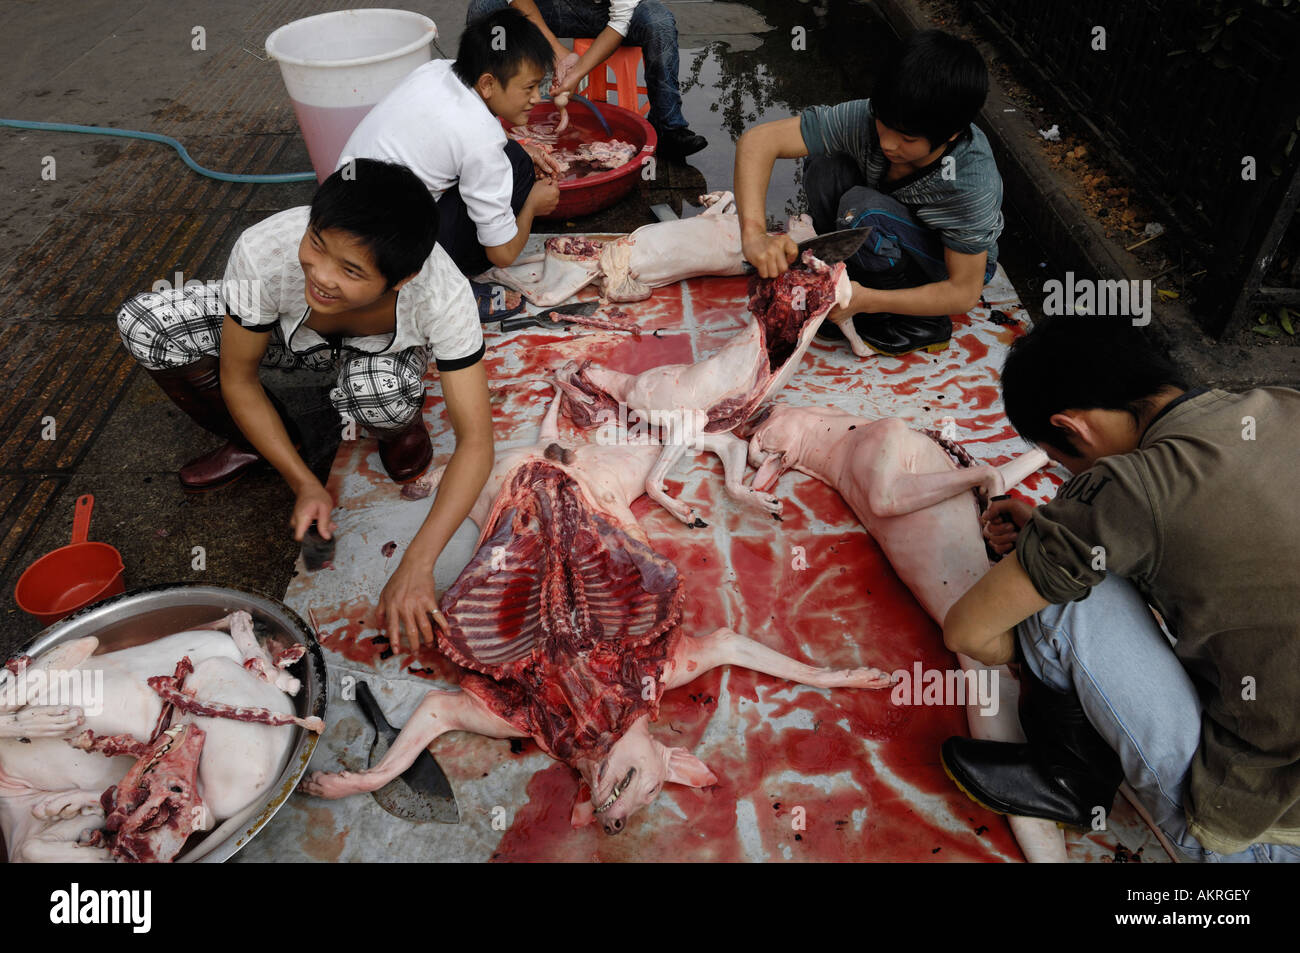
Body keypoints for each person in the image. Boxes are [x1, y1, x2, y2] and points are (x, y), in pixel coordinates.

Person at [940, 316, 1300, 862]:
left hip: (1263, 829)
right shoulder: (1281, 403)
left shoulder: (1128, 486)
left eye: (1064, 463)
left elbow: (966, 630)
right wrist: (1057, 526)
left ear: (1073, 427)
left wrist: (1047, 563)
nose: (1071, 476)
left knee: (1056, 602)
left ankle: (1073, 782)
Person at [116, 159, 493, 651]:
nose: (321, 275)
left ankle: (398, 427)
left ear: (402, 279)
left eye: (351, 270)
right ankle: (260, 442)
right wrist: (303, 481)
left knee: (379, 393)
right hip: (287, 338)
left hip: (379, 354)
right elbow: (239, 378)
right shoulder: (265, 250)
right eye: (316, 243)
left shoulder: (440, 294)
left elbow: (476, 442)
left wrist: (418, 564)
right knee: (148, 323)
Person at [734, 30, 1003, 357]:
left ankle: (919, 323)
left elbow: (964, 292)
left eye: (907, 138)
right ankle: (851, 279)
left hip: (949, 264)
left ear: (951, 134)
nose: (888, 143)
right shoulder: (869, 117)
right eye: (883, 123)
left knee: (862, 212)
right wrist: (754, 234)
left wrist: (870, 301)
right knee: (824, 165)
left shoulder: (972, 181)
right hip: (885, 224)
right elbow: (759, 141)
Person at [340, 8, 560, 302]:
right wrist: (533, 204)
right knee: (517, 165)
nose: (537, 98)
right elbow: (503, 254)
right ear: (488, 84)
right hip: (385, 258)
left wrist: (521, 146)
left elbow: (458, 127)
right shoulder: (483, 142)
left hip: (339, 214)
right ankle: (443, 285)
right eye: (530, 88)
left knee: (515, 153)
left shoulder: (436, 70)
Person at [467, 0, 707, 159]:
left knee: (658, 21)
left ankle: (668, 127)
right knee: (485, 7)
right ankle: (484, 120)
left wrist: (578, 71)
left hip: (604, 12)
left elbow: (620, 20)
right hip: (549, 8)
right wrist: (558, 54)